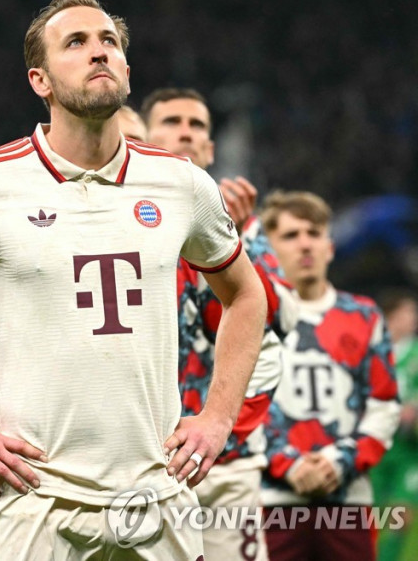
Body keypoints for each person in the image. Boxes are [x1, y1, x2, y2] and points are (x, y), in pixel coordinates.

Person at [0, 0, 267, 559]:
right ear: (39, 81)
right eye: (76, 43)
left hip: (159, 495)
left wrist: (218, 418)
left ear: (125, 67)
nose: (99, 53)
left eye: (109, 42)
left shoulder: (182, 184)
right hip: (36, 503)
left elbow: (247, 294)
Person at [0, 105, 152, 561]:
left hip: (141, 483)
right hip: (11, 475)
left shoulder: (165, 254)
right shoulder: (24, 249)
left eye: (135, 146)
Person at [143, 87, 289, 561]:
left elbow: (277, 328)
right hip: (141, 463)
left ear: (210, 149)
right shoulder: (117, 223)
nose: (185, 130)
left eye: (197, 125)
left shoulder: (241, 228)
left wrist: (240, 236)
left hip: (224, 462)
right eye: (171, 121)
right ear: (142, 138)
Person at [259, 190, 400, 561]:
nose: (305, 244)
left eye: (314, 232)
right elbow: (242, 405)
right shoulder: (254, 318)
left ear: (330, 246)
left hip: (348, 498)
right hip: (272, 500)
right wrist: (287, 463)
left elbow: (384, 405)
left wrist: (341, 460)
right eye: (290, 235)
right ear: (269, 250)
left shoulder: (364, 316)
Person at [370, 289, 418, 560]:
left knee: (402, 515)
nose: (412, 319)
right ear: (391, 316)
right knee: (371, 515)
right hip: (377, 445)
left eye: (413, 313)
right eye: (406, 313)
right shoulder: (375, 351)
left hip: (409, 449)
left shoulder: (417, 353)